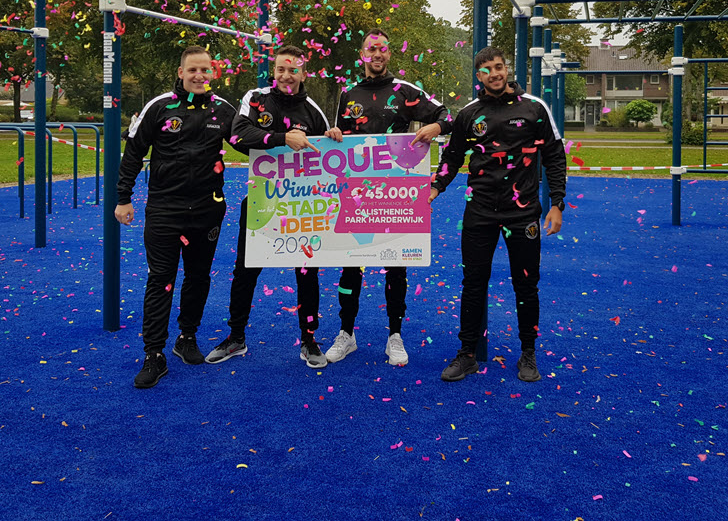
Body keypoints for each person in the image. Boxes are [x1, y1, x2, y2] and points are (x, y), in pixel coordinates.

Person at [430, 47, 566, 383]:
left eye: (499, 67)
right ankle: (467, 354)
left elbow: (554, 156)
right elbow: (452, 156)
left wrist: (557, 203)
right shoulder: (468, 114)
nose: (495, 73)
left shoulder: (534, 108)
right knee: (473, 285)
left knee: (526, 286)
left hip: (523, 216)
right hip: (479, 213)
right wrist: (436, 186)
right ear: (479, 76)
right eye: (487, 69)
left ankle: (528, 354)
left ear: (507, 70)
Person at [322, 28, 452, 367]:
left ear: (389, 55)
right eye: (370, 49)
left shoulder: (405, 91)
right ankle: (346, 333)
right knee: (351, 266)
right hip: (357, 195)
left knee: (396, 266)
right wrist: (335, 134)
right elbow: (339, 141)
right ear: (362, 54)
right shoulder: (348, 94)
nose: (376, 54)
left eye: (382, 49)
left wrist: (435, 127)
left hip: (397, 195)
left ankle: (394, 334)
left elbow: (447, 115)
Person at [205, 45, 336, 369]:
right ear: (273, 71)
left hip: (301, 207)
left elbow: (329, 151)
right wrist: (282, 138)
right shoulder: (257, 98)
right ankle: (236, 337)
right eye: (281, 69)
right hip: (262, 203)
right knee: (245, 271)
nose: (286, 75)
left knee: (307, 274)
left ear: (303, 73)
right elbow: (238, 135)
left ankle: (309, 340)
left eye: (293, 70)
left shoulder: (312, 109)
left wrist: (334, 136)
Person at [117, 46, 237, 389]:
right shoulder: (159, 107)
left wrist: (292, 138)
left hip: (207, 211)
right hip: (164, 211)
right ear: (181, 72)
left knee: (198, 277)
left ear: (212, 73)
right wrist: (122, 198)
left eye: (205, 70)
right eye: (192, 70)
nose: (199, 76)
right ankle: (154, 354)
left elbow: (252, 143)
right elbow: (133, 153)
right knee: (161, 279)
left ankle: (187, 338)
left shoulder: (224, 110)